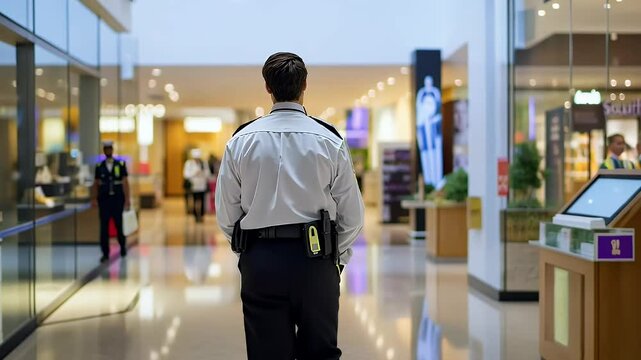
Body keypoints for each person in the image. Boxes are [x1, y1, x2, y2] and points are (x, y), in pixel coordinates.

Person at [215, 52, 364, 360]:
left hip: (261, 261)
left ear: (267, 87)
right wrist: (336, 259)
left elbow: (226, 213)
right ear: (304, 85)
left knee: (267, 353)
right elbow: (353, 216)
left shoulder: (241, 141)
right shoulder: (329, 140)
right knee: (319, 353)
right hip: (317, 260)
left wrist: (249, 252)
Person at [92, 141, 130, 263]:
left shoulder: (120, 164)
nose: (108, 151)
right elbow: (96, 184)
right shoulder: (99, 166)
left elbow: (125, 182)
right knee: (104, 227)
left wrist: (127, 199)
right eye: (106, 149)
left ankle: (122, 246)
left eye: (110, 149)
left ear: (112, 150)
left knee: (119, 224)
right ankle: (105, 252)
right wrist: (94, 198)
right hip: (105, 200)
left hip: (117, 199)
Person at [183, 149, 210, 222]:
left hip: (202, 185)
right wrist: (195, 173)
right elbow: (186, 175)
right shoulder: (189, 163)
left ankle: (201, 215)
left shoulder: (204, 163)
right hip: (194, 186)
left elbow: (208, 174)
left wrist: (202, 173)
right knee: (194, 200)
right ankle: (195, 215)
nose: (197, 160)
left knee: (202, 201)